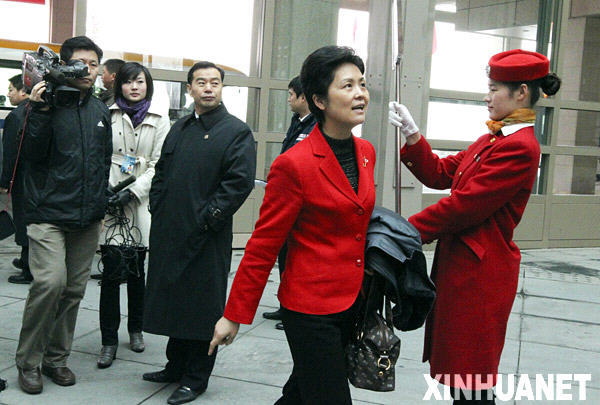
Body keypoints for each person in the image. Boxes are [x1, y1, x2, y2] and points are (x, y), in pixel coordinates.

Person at [388, 49, 561, 404]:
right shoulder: (493, 139)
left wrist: (404, 233)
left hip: (481, 278)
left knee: (472, 382)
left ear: (522, 93)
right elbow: (441, 173)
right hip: (463, 270)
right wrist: (413, 137)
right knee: (459, 378)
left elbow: (463, 206)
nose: (487, 96)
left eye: (494, 88)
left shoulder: (520, 147)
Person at [210, 45, 376, 404]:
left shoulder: (366, 152)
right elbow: (263, 244)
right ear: (319, 100)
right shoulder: (294, 164)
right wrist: (234, 315)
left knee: (301, 393)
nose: (360, 93)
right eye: (347, 86)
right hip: (310, 308)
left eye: (361, 84)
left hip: (353, 301)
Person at [143, 61, 256, 405]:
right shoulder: (179, 128)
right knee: (175, 302)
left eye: (215, 83)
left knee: (201, 307)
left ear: (222, 88)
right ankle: (175, 365)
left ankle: (196, 377)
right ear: (190, 88)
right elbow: (161, 171)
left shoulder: (235, 131)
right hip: (170, 230)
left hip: (207, 236)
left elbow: (238, 184)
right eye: (201, 82)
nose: (208, 88)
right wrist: (158, 206)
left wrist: (208, 220)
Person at [14, 35, 111, 395]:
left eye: (93, 63)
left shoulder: (100, 109)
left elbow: (103, 162)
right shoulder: (44, 104)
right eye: (79, 63)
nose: (86, 70)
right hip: (48, 213)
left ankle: (56, 358)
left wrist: (100, 205)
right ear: (62, 66)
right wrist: (38, 110)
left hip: (87, 216)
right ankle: (28, 361)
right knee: (49, 284)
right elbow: (31, 157)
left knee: (72, 290)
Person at [96, 62, 169, 368]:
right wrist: (108, 191)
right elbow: (96, 156)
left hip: (139, 202)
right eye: (128, 82)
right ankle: (108, 340)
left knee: (137, 272)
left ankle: (136, 329)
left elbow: (159, 163)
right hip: (110, 199)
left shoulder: (160, 119)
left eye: (140, 82)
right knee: (111, 274)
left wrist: (134, 190)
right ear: (119, 85)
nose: (134, 87)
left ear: (147, 85)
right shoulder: (106, 114)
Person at [262, 75, 316, 330]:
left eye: (291, 95)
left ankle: (295, 311)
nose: (288, 100)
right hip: (286, 204)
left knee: (297, 262)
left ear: (304, 97)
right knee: (284, 258)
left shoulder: (317, 126)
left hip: (303, 208)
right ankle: (285, 307)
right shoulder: (298, 122)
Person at [0, 74, 32, 284]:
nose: (9, 94)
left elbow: (10, 152)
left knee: (22, 221)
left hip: (20, 178)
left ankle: (28, 269)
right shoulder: (37, 111)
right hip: (35, 179)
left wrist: (4, 182)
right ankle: (24, 259)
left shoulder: (17, 115)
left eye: (11, 89)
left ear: (23, 91)